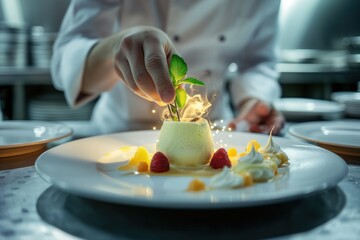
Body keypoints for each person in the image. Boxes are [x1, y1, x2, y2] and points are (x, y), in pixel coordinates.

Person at [51, 0, 284, 135]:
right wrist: (115, 48)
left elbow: (258, 60)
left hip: (217, 132)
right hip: (119, 134)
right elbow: (67, 56)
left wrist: (253, 99)